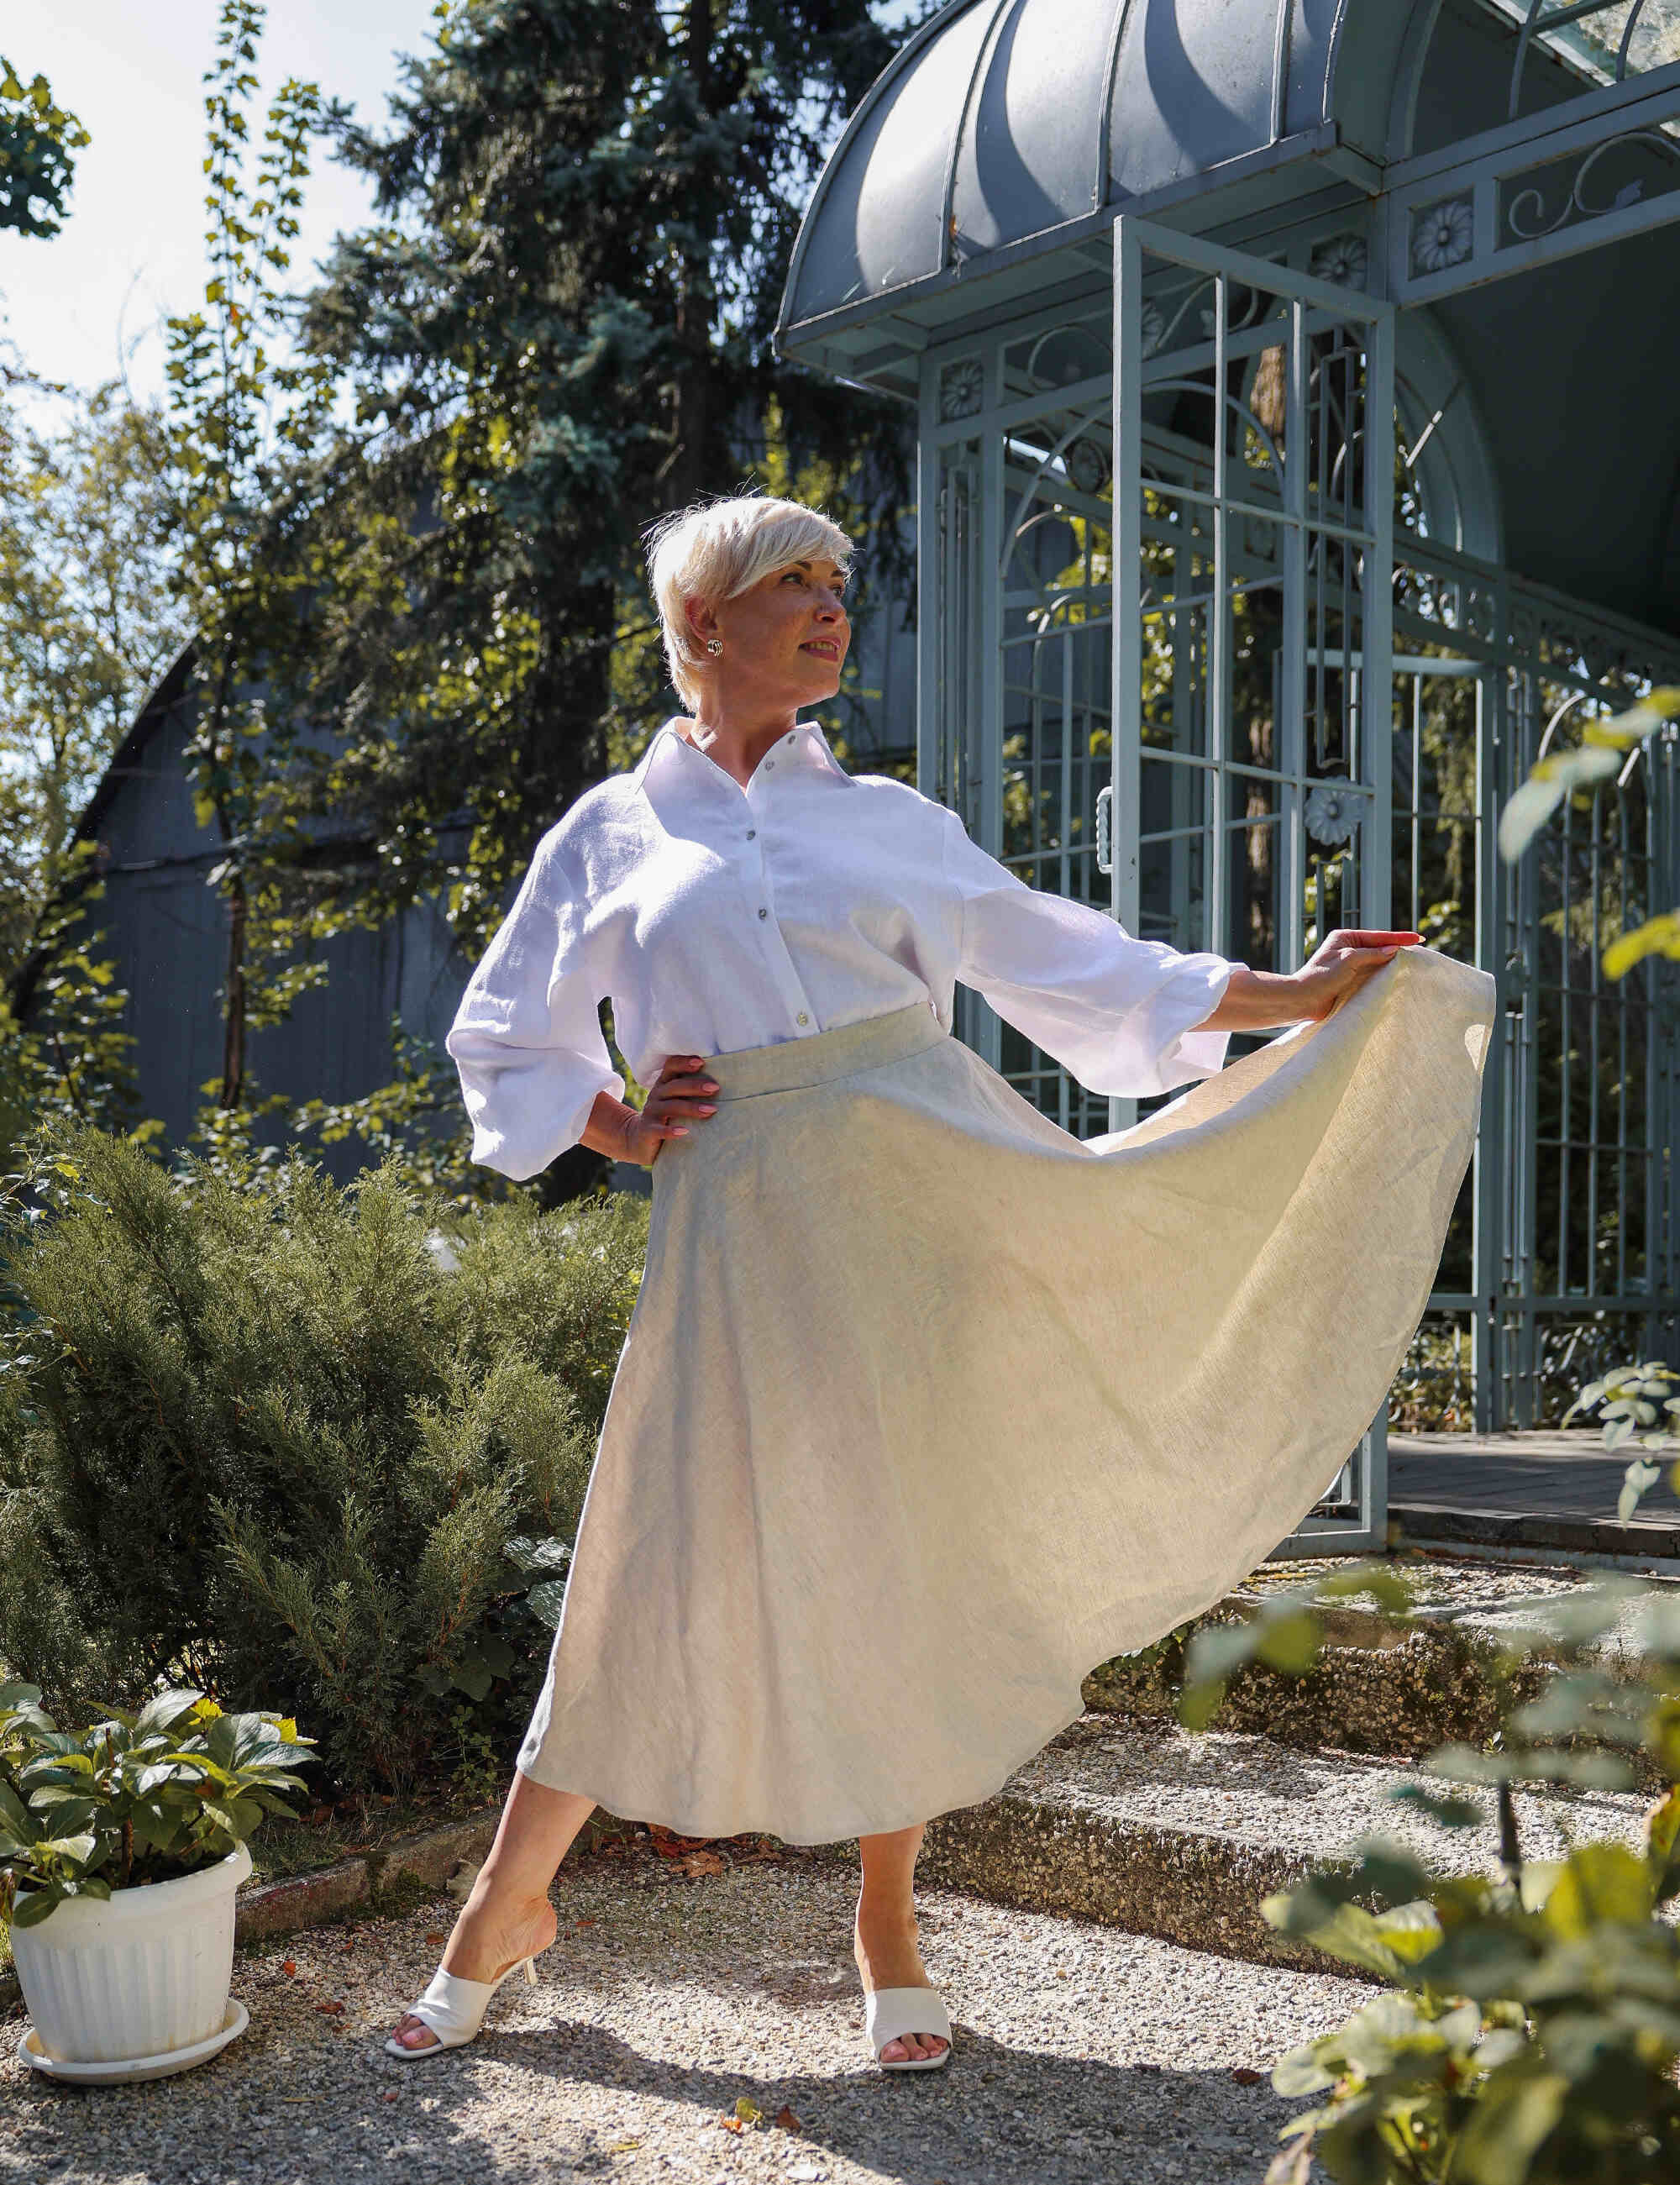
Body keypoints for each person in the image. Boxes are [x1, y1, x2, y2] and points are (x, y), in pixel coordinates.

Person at [386, 491, 1491, 2071]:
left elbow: (1070, 962)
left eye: (841, 584)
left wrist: (1294, 997)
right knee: (649, 1553)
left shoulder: (889, 819)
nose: (835, 608)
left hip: (929, 1196)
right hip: (740, 1225)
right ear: (704, 624)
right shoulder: (611, 836)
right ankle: (505, 1904)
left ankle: (888, 1925)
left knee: (896, 1557)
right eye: (796, 585)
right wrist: (625, 1127)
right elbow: (503, 1034)